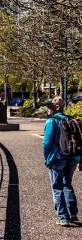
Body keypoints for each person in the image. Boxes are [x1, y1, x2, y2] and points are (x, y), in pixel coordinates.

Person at [43, 96, 81, 226]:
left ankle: (63, 218)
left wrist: (46, 158)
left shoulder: (51, 122)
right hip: (72, 157)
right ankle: (73, 213)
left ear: (56, 107)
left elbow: (47, 142)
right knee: (67, 184)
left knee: (57, 187)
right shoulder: (71, 120)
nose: (46, 109)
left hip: (57, 158)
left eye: (49, 106)